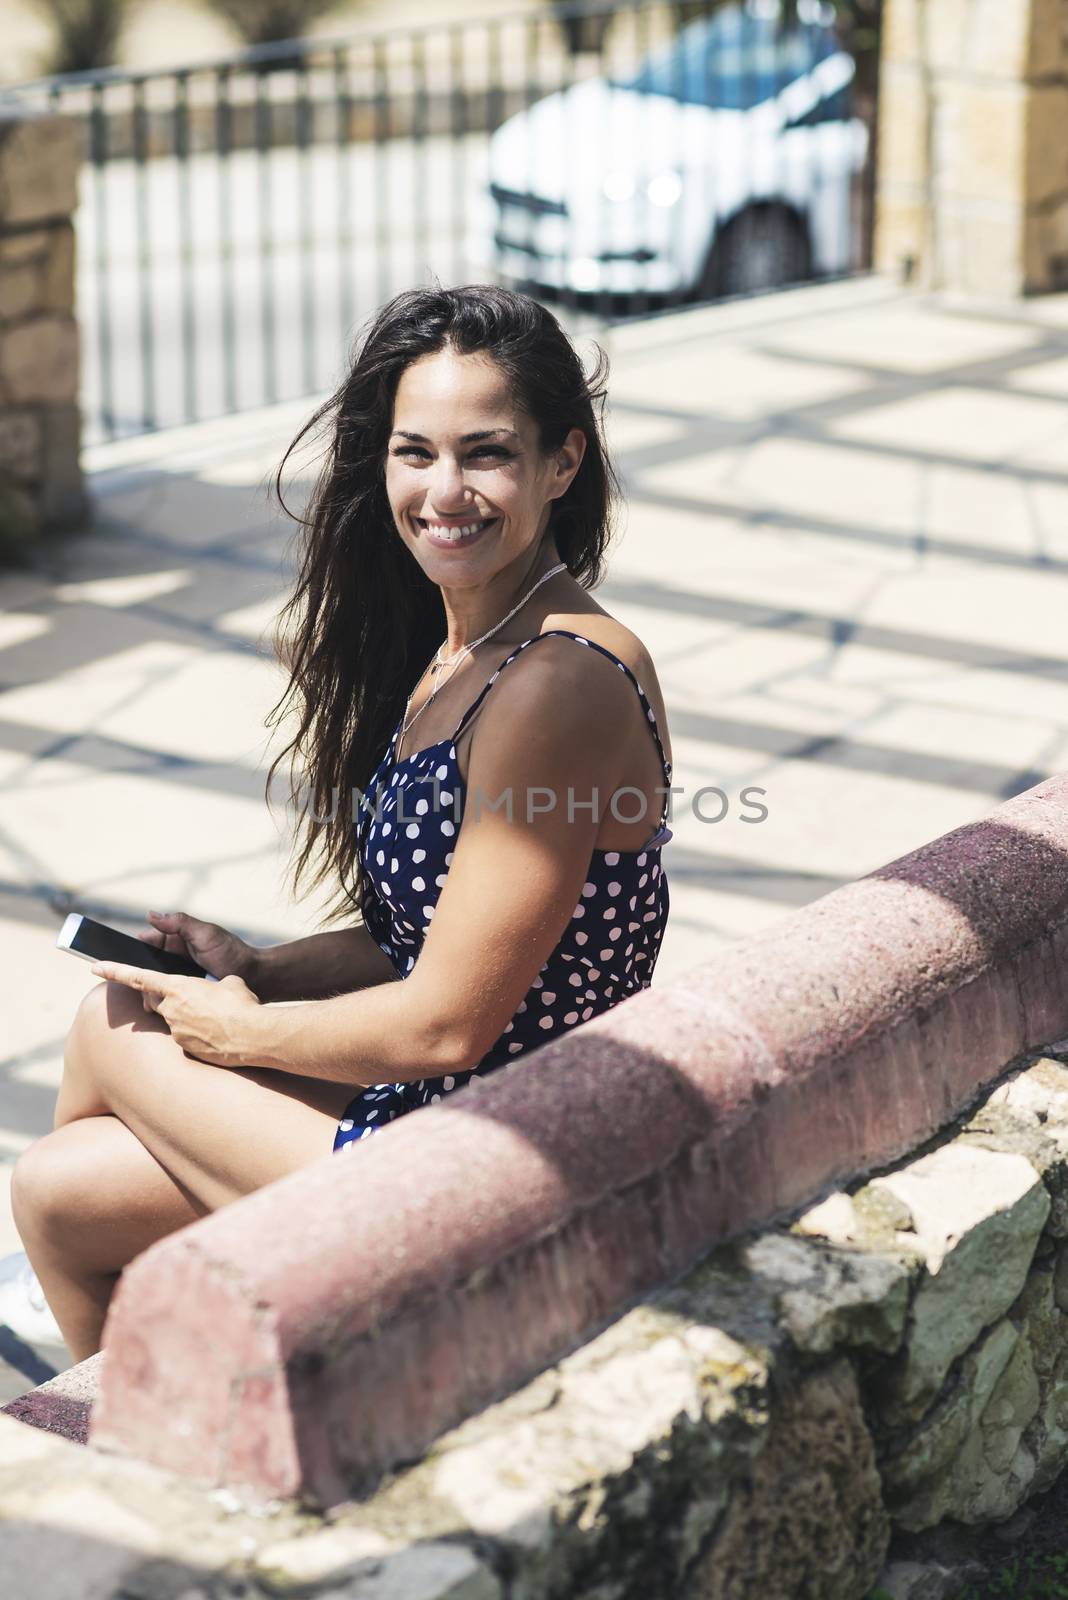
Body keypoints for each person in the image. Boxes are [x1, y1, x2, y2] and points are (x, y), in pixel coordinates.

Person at [6, 284, 673, 1366]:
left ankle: (209, 1387)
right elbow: (434, 931)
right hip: (451, 1104)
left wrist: (242, 1030)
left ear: (564, 463)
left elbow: (446, 1021)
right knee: (54, 1192)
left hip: (502, 1160)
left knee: (108, 1027)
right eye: (416, 452)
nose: (443, 490)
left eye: (486, 454)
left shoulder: (557, 684)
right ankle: (133, 1436)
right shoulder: (464, 651)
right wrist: (262, 969)